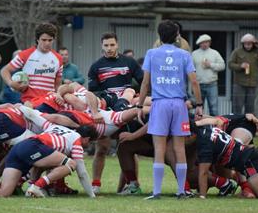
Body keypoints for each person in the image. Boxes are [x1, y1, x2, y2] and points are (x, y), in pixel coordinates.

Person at [136, 20, 203, 199]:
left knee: (160, 149)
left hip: (160, 104)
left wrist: (139, 105)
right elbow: (194, 81)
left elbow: (145, 82)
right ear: (177, 36)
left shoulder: (151, 53)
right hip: (179, 104)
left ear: (159, 35)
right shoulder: (184, 54)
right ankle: (181, 190)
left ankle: (157, 192)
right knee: (179, 148)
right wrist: (199, 104)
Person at [87, 32, 144, 194]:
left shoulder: (129, 62)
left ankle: (131, 185)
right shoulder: (96, 66)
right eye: (106, 45)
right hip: (107, 111)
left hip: (126, 110)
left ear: (117, 45)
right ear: (101, 46)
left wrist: (135, 93)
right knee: (101, 148)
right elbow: (94, 92)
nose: (109, 48)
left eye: (112, 45)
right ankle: (96, 185)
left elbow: (144, 82)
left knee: (128, 148)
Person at [1, 22, 64, 108]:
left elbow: (57, 85)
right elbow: (4, 71)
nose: (47, 43)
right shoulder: (25, 55)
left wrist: (59, 95)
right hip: (29, 101)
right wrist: (11, 83)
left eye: (50, 40)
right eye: (44, 40)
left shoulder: (58, 58)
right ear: (37, 39)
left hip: (48, 102)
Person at [228, 33, 258, 114]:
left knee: (250, 108)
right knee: (237, 107)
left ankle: (248, 125)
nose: (247, 46)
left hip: (252, 84)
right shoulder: (237, 51)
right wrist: (240, 66)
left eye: (250, 44)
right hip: (239, 84)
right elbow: (230, 64)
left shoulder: (257, 51)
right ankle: (236, 123)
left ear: (253, 44)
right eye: (245, 44)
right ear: (242, 43)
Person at [192, 34, 225, 116]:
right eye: (202, 42)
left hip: (212, 84)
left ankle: (215, 127)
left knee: (214, 108)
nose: (205, 44)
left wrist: (211, 65)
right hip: (198, 84)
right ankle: (198, 127)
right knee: (198, 108)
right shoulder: (194, 54)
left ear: (209, 43)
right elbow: (190, 69)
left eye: (206, 42)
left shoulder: (215, 53)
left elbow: (222, 66)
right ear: (199, 43)